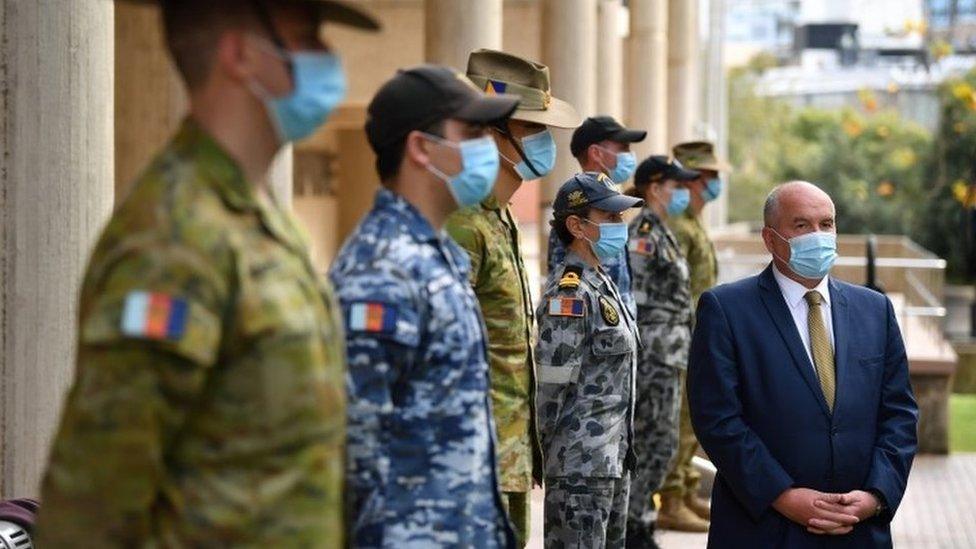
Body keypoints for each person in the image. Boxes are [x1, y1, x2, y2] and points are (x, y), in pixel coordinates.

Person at [33, 1, 378, 546]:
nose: (329, 59)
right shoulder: (173, 238)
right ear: (241, 54)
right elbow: (94, 501)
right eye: (308, 36)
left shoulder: (254, 217)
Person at [329, 65, 519, 547]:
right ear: (420, 148)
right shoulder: (381, 272)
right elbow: (355, 450)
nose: (488, 150)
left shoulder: (438, 257)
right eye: (472, 134)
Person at [688, 181, 918, 547]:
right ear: (770, 238)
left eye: (826, 224)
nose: (818, 235)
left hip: (858, 528)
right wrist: (782, 495)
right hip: (763, 529)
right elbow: (717, 419)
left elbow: (899, 415)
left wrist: (876, 496)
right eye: (801, 225)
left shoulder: (875, 309)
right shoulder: (727, 310)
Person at [445, 49, 581, 548]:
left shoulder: (498, 217)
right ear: (491, 131)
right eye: (531, 129)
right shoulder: (461, 222)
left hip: (508, 454)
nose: (544, 143)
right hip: (474, 458)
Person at [537, 171, 643, 548]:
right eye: (610, 217)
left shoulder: (602, 281)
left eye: (619, 218)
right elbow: (550, 387)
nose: (620, 226)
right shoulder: (570, 293)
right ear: (576, 226)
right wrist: (546, 456)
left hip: (613, 463)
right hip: (579, 467)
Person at [624, 156, 701, 548]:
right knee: (652, 439)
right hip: (655, 354)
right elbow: (635, 296)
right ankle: (632, 524)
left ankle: (640, 519)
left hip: (670, 353)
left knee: (662, 440)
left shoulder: (662, 231)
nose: (682, 192)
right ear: (654, 188)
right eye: (676, 185)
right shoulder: (643, 232)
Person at [659, 140, 731, 531]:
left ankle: (686, 490)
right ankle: (671, 499)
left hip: (698, 336)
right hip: (680, 338)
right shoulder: (677, 225)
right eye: (710, 176)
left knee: (692, 420)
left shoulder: (693, 222)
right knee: (679, 420)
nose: (715, 183)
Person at [548, 116, 647, 317]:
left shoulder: (612, 210)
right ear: (596, 153)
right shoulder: (574, 210)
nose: (629, 156)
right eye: (623, 148)